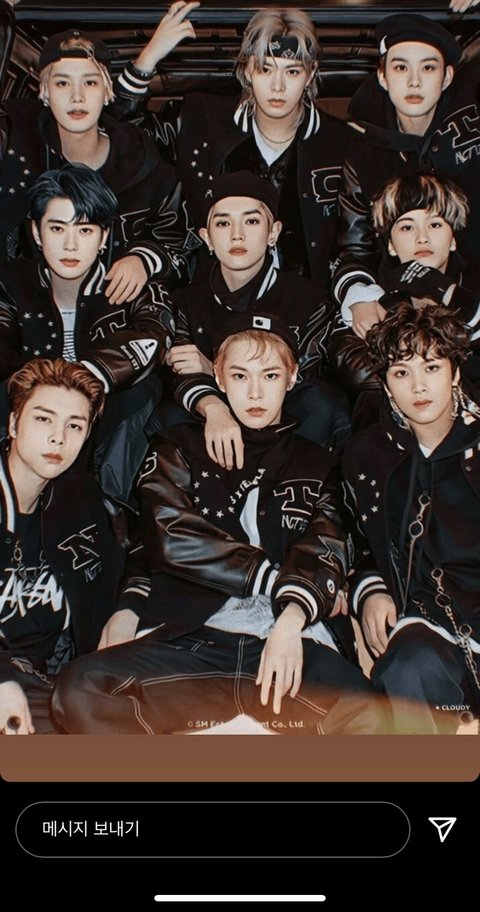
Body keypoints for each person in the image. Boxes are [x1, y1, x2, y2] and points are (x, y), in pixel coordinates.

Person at [52, 315, 384, 735]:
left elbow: (326, 545)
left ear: (292, 377)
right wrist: (273, 580)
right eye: (240, 376)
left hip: (290, 641)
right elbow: (171, 535)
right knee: (82, 688)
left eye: (270, 375)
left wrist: (292, 617)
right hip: (194, 638)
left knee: (373, 716)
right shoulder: (177, 446)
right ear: (219, 379)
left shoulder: (321, 463)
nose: (256, 391)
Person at [112, 3, 347, 290]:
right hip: (208, 301)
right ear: (247, 70)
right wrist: (148, 59)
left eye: (292, 72)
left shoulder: (340, 142)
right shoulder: (200, 121)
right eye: (265, 68)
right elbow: (119, 139)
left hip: (306, 305)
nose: (277, 86)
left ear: (310, 75)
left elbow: (356, 240)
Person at [0, 164, 177, 500]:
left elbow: (155, 335)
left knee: (144, 389)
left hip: (104, 433)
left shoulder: (131, 284)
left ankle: (108, 508)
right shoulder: (11, 284)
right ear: (36, 232)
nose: (70, 245)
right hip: (28, 427)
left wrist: (84, 376)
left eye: (84, 230)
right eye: (57, 228)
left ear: (103, 236)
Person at [343, 303, 480, 733]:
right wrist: (369, 588)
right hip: (433, 625)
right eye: (401, 372)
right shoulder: (368, 453)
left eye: (432, 367)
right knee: (406, 667)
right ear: (385, 384)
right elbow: (353, 538)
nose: (418, 386)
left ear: (455, 373)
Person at [162, 170, 348, 463]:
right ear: (207, 237)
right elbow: (179, 375)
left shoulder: (307, 299)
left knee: (320, 401)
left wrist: (214, 369)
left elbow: (300, 378)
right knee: (166, 415)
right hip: (213, 424)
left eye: (251, 221)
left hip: (286, 429)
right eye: (223, 223)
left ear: (273, 233)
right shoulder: (187, 301)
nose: (237, 235)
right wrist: (214, 407)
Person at [0, 28, 191, 292]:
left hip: (117, 311)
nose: (76, 97)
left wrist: (144, 260)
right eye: (62, 83)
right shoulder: (17, 142)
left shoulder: (144, 165)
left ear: (107, 91)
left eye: (89, 83)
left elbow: (181, 239)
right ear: (45, 91)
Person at [332, 11, 480, 337]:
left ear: (447, 77)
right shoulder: (363, 152)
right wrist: (359, 295)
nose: (414, 82)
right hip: (402, 308)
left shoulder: (474, 128)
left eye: (428, 68)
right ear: (383, 76)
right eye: (401, 67)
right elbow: (354, 245)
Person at [0, 357, 124, 735]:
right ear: (13, 424)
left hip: (52, 681)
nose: (59, 438)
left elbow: (132, 559)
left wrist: (128, 609)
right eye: (43, 419)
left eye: (75, 425)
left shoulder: (78, 494)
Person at [328, 171, 479, 402]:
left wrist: (437, 285)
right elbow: (354, 371)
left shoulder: (472, 286)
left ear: (453, 240)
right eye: (407, 227)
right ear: (390, 244)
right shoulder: (374, 300)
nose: (422, 238)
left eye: (435, 224)